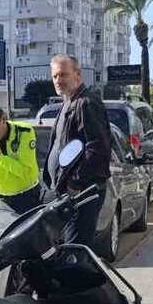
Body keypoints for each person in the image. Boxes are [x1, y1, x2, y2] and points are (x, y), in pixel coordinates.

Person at [44, 54, 112, 246]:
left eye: (63, 75)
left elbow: (98, 148)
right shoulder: (68, 102)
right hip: (68, 193)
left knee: (75, 252)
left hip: (83, 192)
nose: (58, 80)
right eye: (55, 76)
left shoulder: (86, 103)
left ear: (78, 75)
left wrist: (75, 183)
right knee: (67, 250)